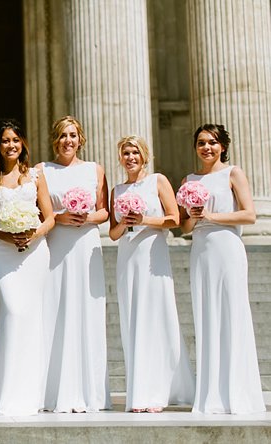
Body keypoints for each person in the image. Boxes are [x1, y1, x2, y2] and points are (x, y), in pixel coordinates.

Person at [179, 124, 265, 414]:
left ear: (223, 146)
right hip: (201, 252)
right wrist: (193, 216)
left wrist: (211, 215)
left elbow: (250, 214)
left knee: (232, 314)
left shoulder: (233, 173)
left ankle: (239, 393)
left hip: (228, 248)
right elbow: (186, 226)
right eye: (202, 142)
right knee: (207, 317)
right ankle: (211, 396)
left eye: (213, 143)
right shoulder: (188, 180)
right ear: (195, 147)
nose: (207, 148)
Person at [109, 135, 194, 413]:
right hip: (128, 257)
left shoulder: (157, 180)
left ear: (144, 155)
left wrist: (144, 219)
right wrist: (124, 222)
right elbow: (112, 233)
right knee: (133, 318)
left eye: (135, 152)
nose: (130, 157)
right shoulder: (117, 190)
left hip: (152, 255)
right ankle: (141, 389)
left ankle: (160, 390)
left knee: (157, 316)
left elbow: (175, 219)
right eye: (125, 153)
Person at [0, 119, 54, 415]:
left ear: (23, 144)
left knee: (31, 317)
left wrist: (32, 234)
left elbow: (49, 218)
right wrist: (7, 234)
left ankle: (30, 390)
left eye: (16, 140)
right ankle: (5, 389)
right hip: (2, 251)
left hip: (34, 253)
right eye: (6, 140)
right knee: (13, 310)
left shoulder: (35, 175)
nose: (11, 145)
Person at [39, 115, 111, 413]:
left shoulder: (96, 169)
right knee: (55, 309)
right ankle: (53, 391)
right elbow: (41, 211)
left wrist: (84, 217)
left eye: (72, 135)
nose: (67, 140)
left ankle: (90, 392)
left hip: (86, 245)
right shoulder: (42, 171)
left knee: (87, 310)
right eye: (61, 136)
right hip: (57, 245)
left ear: (80, 138)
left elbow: (105, 211)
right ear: (54, 140)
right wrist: (60, 218)